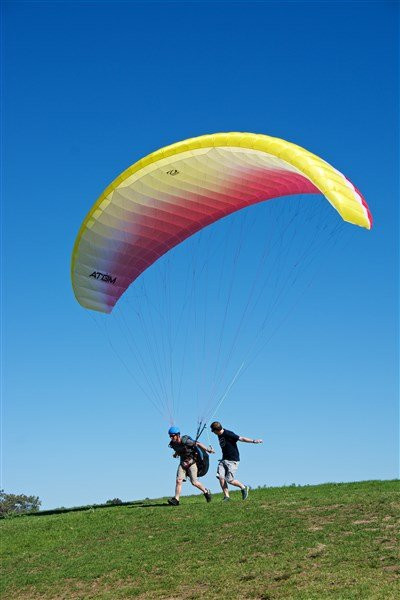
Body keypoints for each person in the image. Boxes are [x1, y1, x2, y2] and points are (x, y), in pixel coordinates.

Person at [210, 421, 262, 501]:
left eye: (213, 431)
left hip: (232, 460)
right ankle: (227, 497)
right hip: (224, 460)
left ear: (216, 430)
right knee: (221, 477)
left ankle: (244, 487)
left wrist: (254, 441)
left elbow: (241, 438)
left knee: (230, 480)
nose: (213, 433)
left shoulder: (228, 434)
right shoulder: (219, 435)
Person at [167, 426, 215, 506]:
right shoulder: (173, 444)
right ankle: (176, 500)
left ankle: (206, 492)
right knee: (179, 480)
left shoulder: (186, 441)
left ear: (178, 435)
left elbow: (197, 443)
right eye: (170, 436)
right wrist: (175, 454)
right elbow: (179, 450)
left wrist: (208, 449)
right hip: (183, 463)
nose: (171, 437)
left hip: (191, 462)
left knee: (194, 482)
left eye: (173, 435)